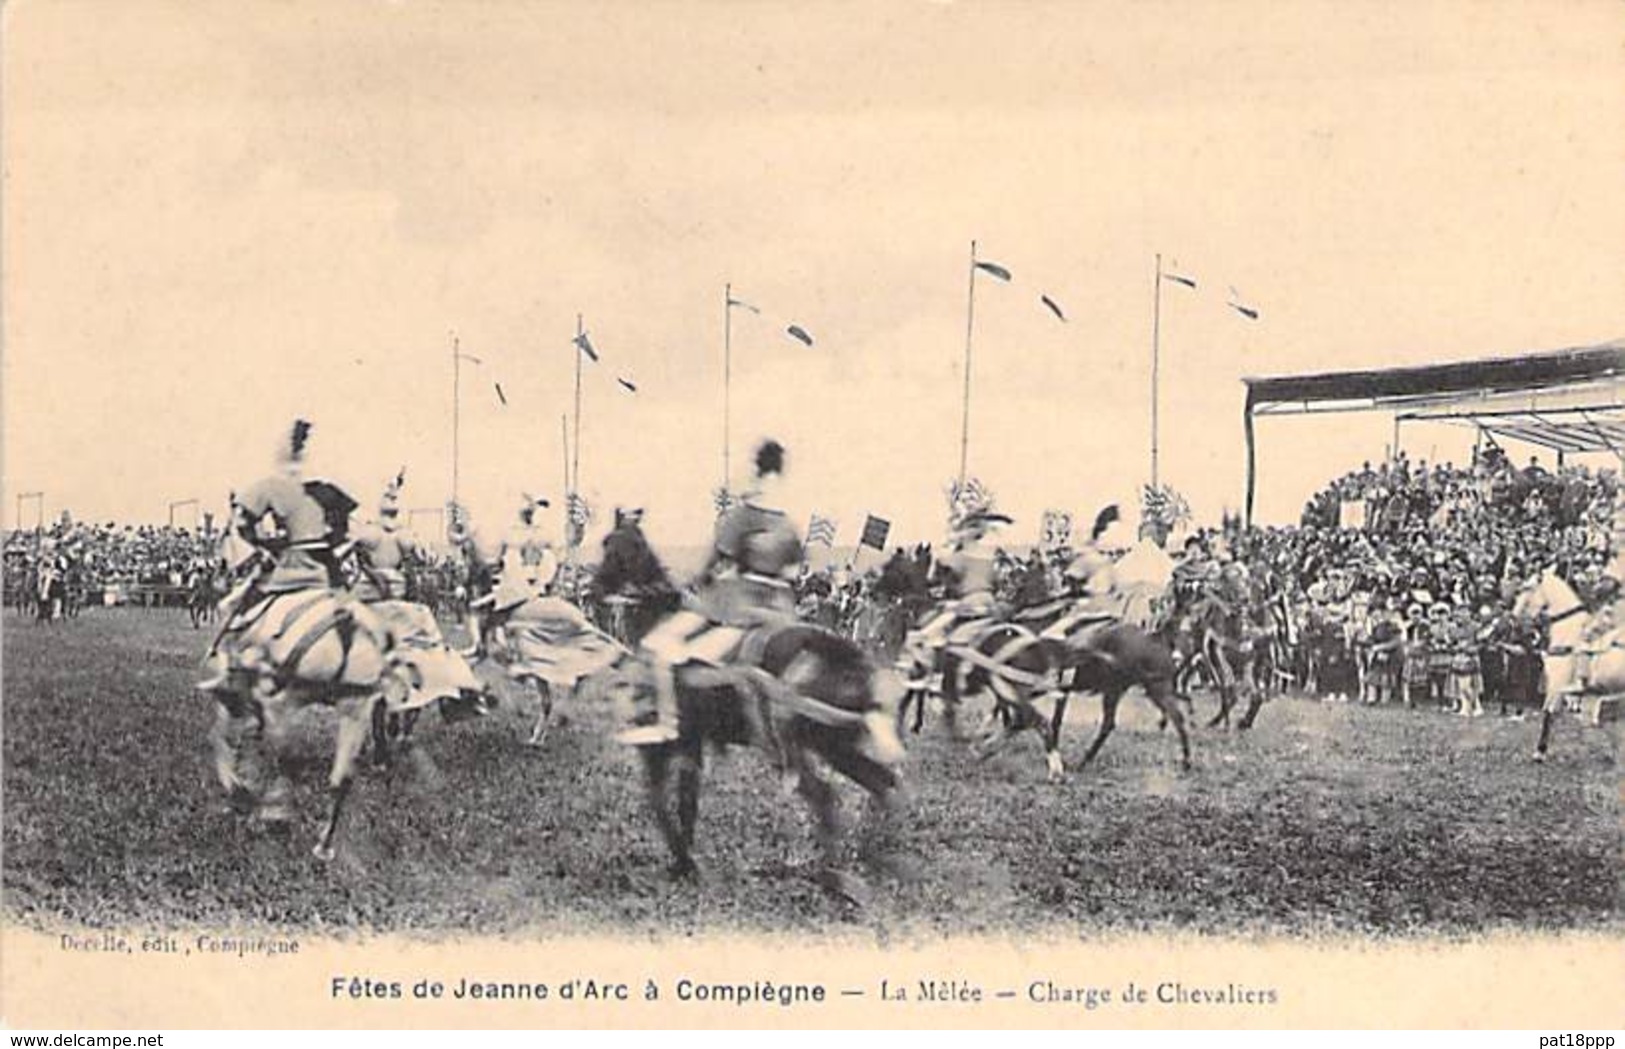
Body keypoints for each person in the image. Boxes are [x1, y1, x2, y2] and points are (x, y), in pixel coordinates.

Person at [622, 439, 804, 746]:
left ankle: (668, 724)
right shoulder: (787, 518)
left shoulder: (742, 514)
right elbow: (794, 571)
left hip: (738, 610)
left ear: (756, 466)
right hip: (783, 611)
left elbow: (708, 568)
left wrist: (697, 582)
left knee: (660, 647)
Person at [197, 420, 357, 693]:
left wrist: (267, 544)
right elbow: (343, 530)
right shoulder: (326, 488)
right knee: (357, 611)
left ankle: (232, 673)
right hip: (327, 568)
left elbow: (244, 525)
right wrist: (327, 544)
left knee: (234, 607)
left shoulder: (270, 486)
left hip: (289, 566)